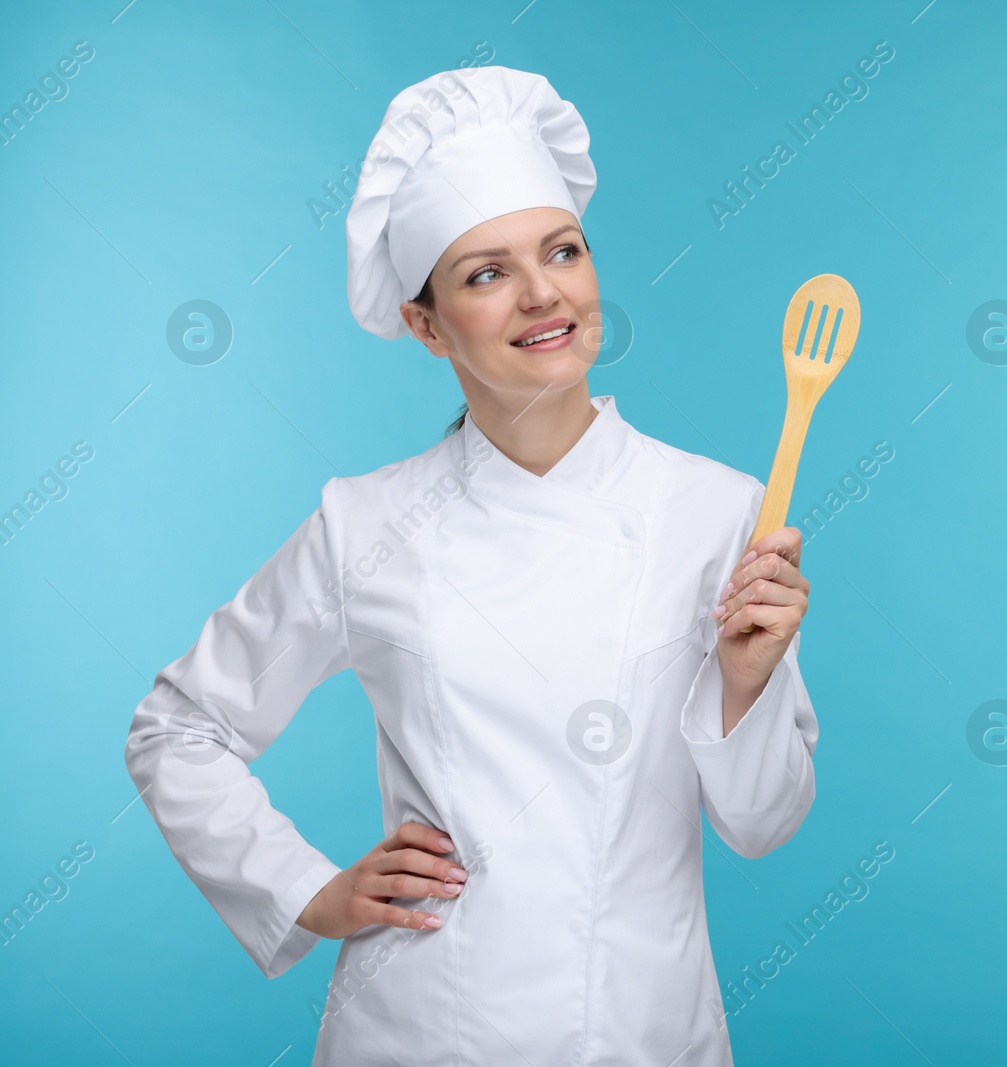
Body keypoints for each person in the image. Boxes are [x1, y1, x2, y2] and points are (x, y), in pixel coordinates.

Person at [123, 66, 819, 1066]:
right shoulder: (367, 522)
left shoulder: (715, 508)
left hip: (643, 1027)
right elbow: (177, 726)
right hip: (420, 1031)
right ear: (424, 322)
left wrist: (747, 683)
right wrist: (303, 887)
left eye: (562, 251)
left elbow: (762, 823)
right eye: (486, 272)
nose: (544, 294)